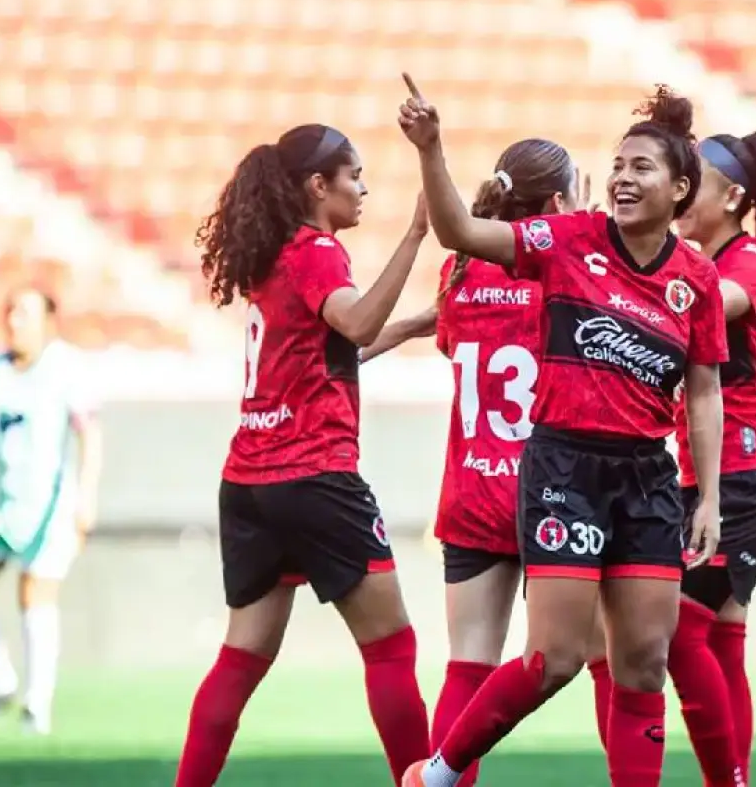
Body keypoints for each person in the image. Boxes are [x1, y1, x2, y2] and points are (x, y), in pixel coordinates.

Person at [397, 75, 728, 787]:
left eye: (642, 168)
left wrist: (708, 499)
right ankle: (443, 771)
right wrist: (432, 149)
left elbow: (703, 390)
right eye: (617, 166)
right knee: (555, 658)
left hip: (647, 476)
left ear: (679, 190)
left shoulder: (696, 280)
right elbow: (462, 233)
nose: (622, 178)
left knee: (643, 661)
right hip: (564, 470)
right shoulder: (568, 239)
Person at [173, 124, 431, 786]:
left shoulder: (276, 256)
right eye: (355, 176)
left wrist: (418, 323)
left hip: (249, 480)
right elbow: (356, 323)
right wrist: (415, 235)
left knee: (242, 657)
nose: (364, 188)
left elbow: (331, 354)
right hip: (314, 473)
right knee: (391, 648)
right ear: (319, 185)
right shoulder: (318, 252)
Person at [362, 143, 614, 783]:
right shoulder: (569, 266)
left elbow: (451, 330)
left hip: (473, 487)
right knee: (609, 657)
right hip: (552, 491)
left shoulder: (462, 272)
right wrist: (583, 232)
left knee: (468, 664)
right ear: (559, 203)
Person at [666, 132, 756, 787]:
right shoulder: (708, 258)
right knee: (721, 635)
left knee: (677, 629)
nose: (678, 191)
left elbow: (695, 309)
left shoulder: (751, 261)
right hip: (711, 473)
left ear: (733, 197)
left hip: (752, 470)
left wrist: (623, 258)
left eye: (689, 179)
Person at [0, 286, 102, 736]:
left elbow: (89, 435)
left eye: (25, 313)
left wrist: (86, 495)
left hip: (48, 505)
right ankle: (1, 677)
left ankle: (37, 706)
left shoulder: (65, 368)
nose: (15, 320)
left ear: (48, 322)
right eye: (10, 311)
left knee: (35, 596)